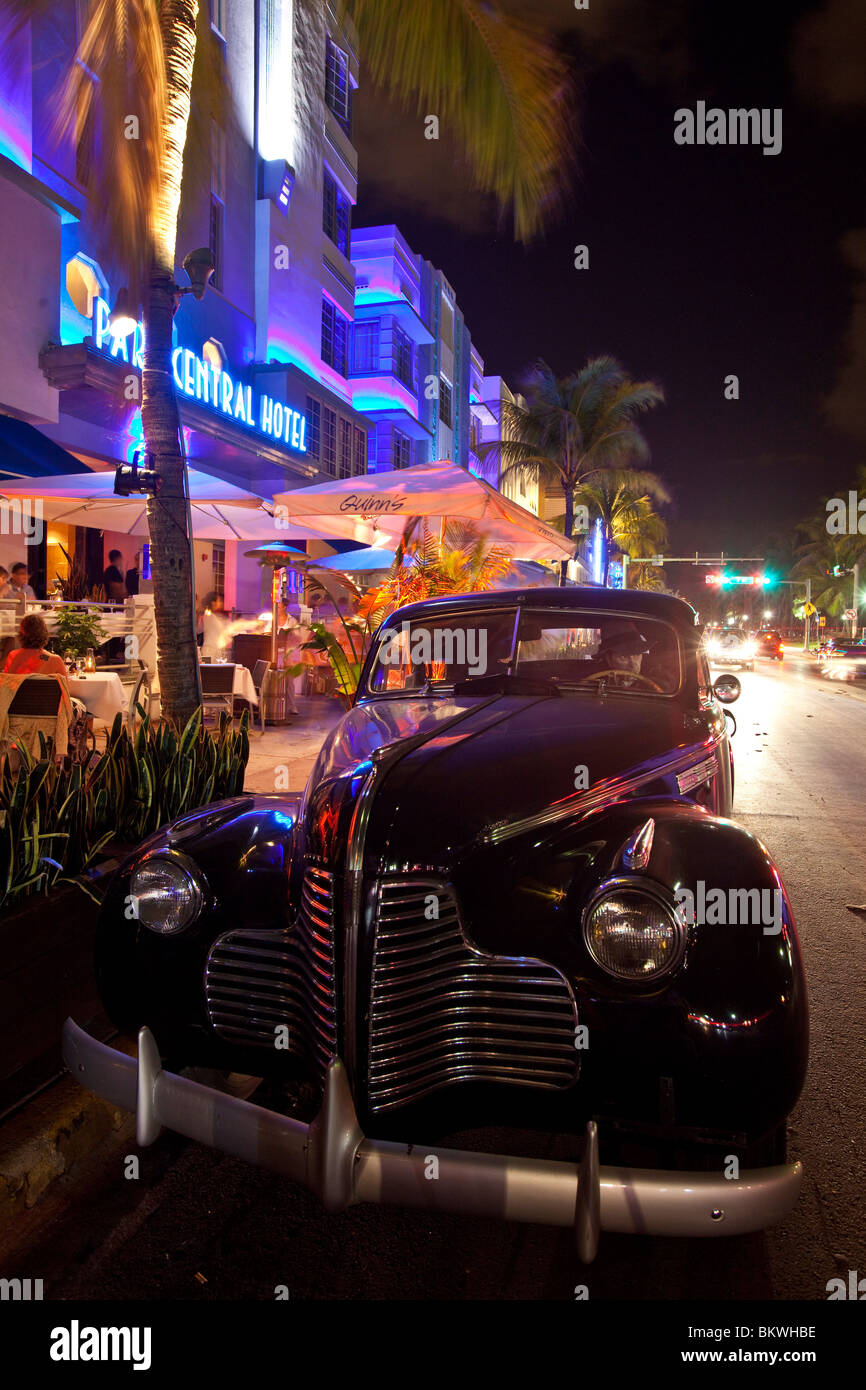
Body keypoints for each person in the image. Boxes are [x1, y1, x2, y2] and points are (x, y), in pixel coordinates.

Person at [3, 613, 69, 675]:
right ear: (45, 633)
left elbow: (7, 684)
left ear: (21, 633)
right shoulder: (54, 660)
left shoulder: (13, 656)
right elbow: (64, 686)